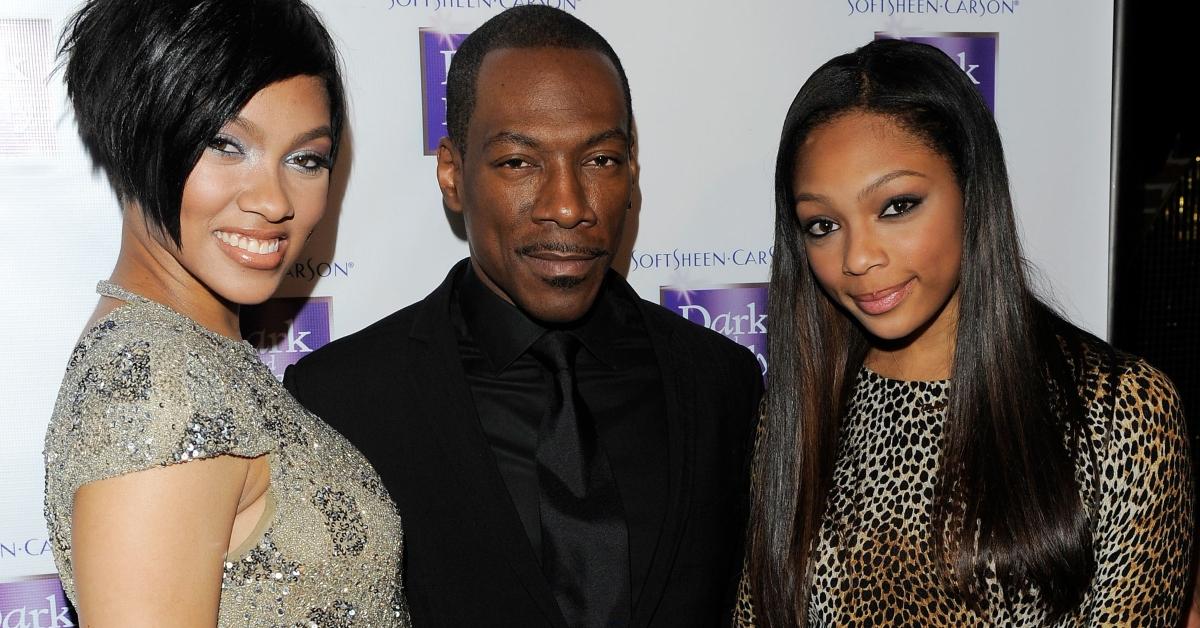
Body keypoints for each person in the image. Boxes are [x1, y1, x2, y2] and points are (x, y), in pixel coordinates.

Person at [283, 5, 763, 627]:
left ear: (632, 171)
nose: (567, 206)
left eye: (601, 160)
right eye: (519, 162)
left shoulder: (722, 384)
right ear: (453, 175)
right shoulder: (343, 402)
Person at [736, 39, 1193, 626]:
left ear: (972, 192)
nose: (857, 257)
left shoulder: (1121, 410)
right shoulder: (798, 409)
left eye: (896, 206)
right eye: (823, 224)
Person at [42, 1, 411, 625]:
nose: (273, 202)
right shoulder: (152, 381)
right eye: (225, 145)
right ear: (136, 137)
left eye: (306, 158)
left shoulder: (188, 352)